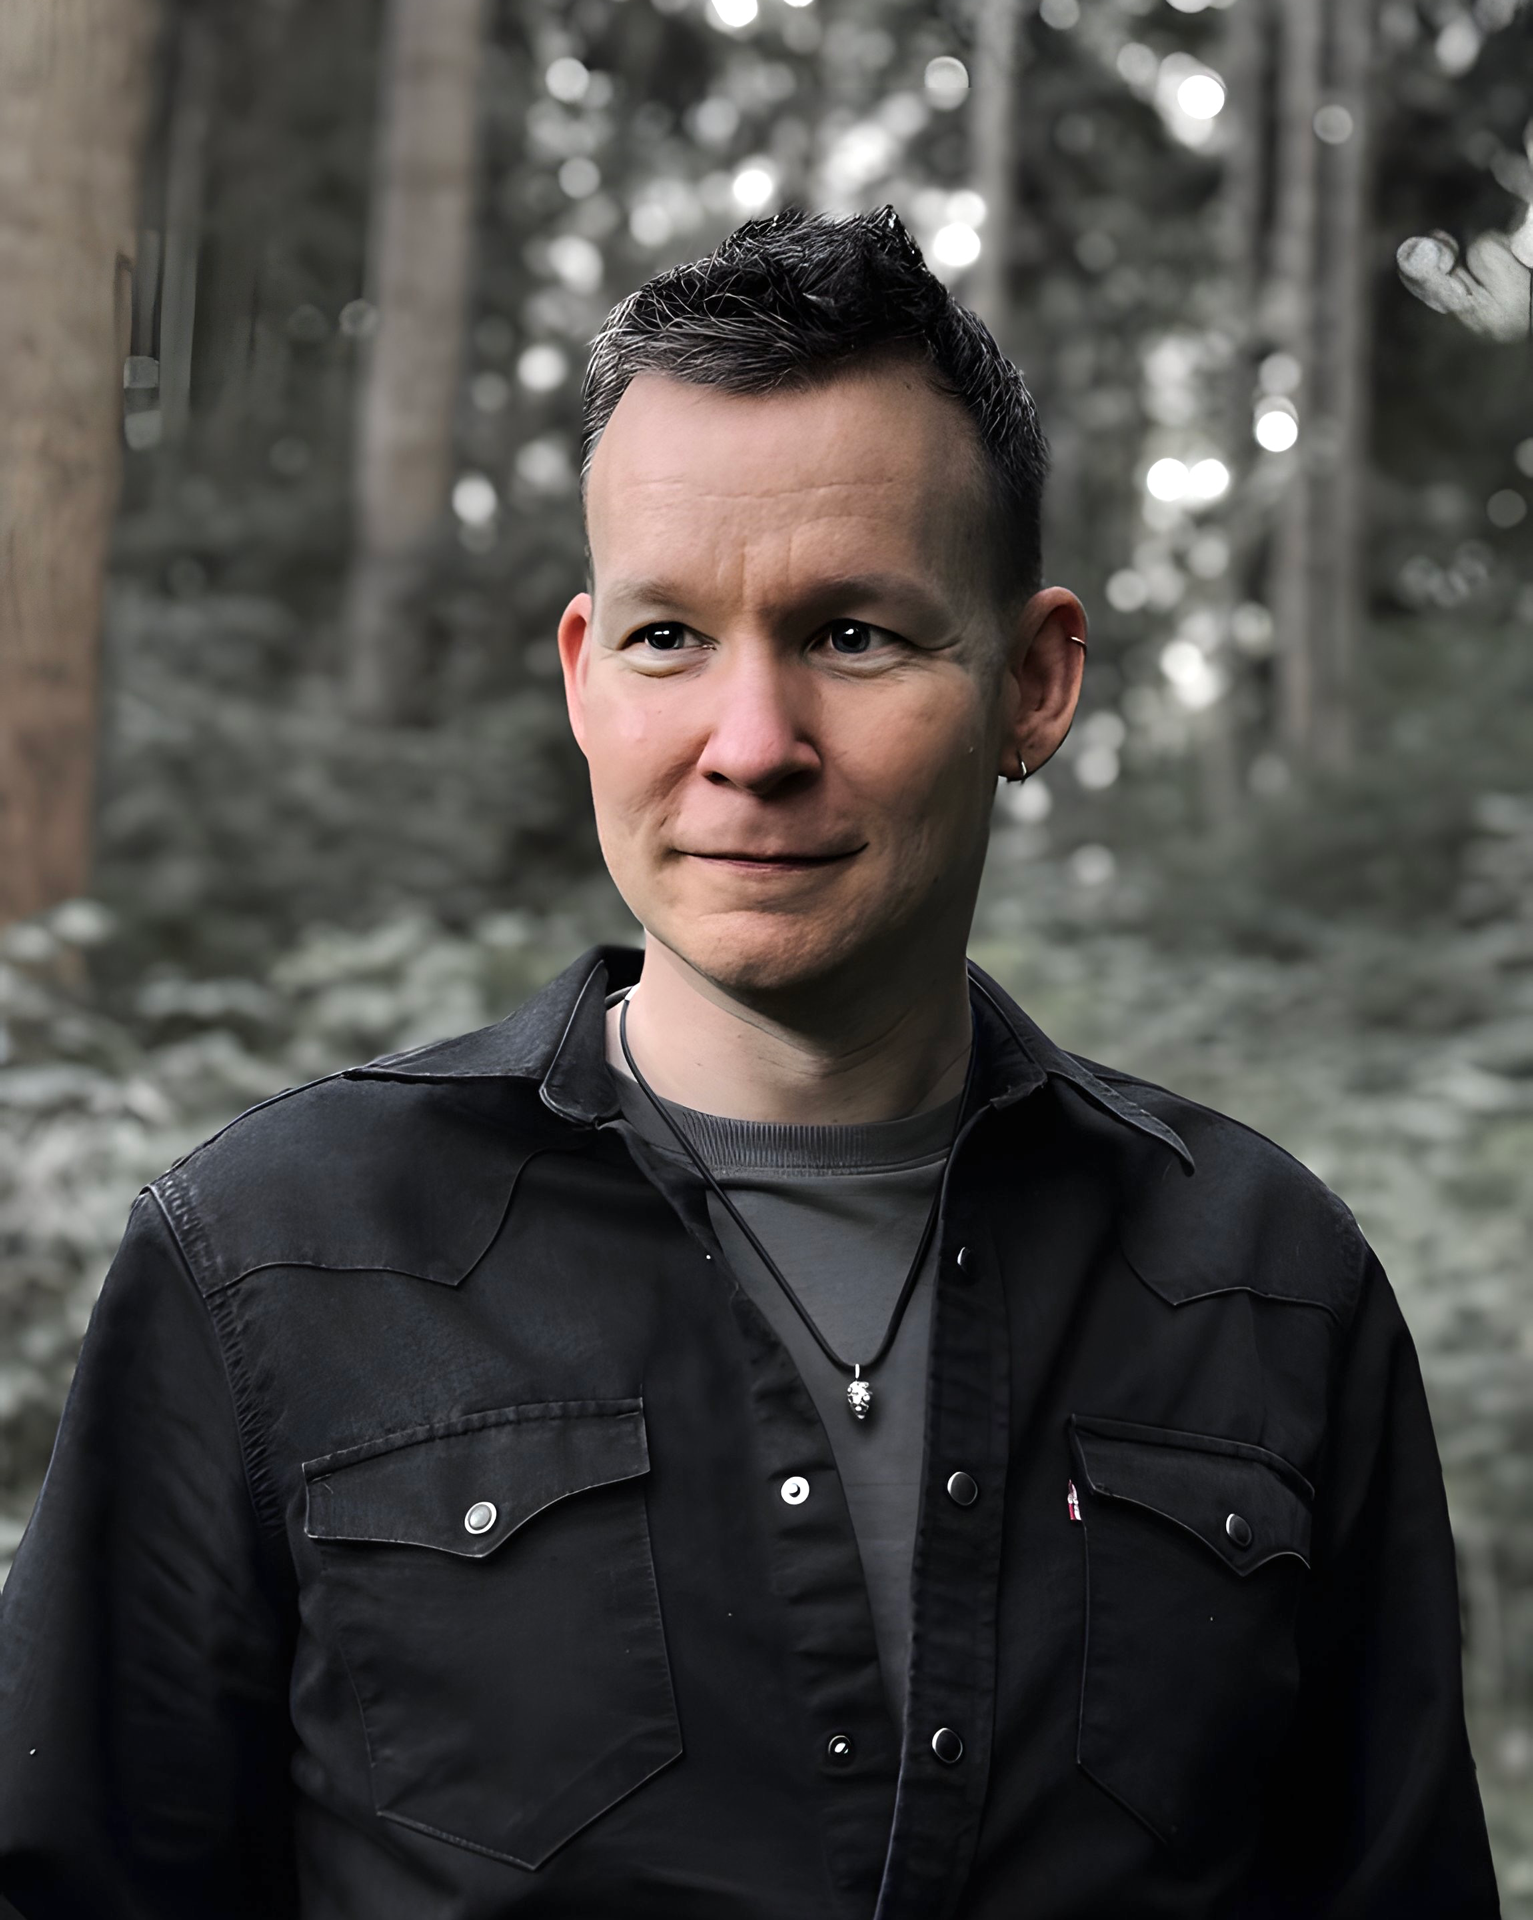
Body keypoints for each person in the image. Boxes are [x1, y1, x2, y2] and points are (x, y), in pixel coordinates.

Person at [0, 208, 1497, 1919]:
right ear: (585, 678)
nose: (753, 745)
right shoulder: (271, 1264)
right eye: (670, 639)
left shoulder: (1271, 1287)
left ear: (1033, 682)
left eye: (853, 635)